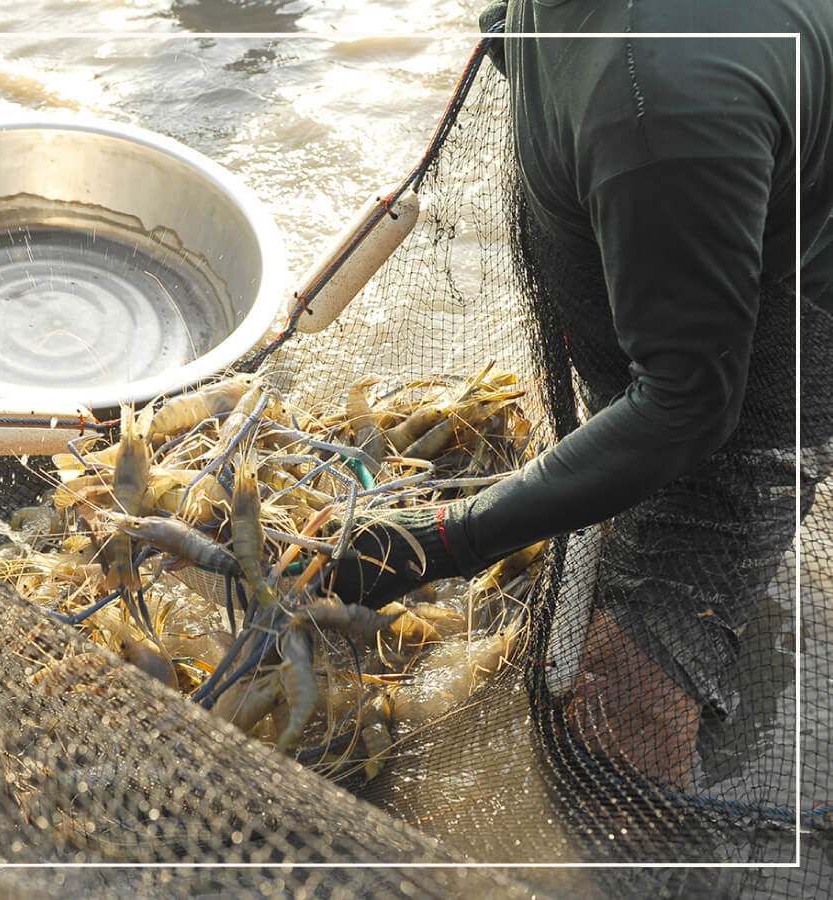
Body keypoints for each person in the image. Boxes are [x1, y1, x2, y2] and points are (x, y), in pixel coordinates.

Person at [332, 0, 833, 790]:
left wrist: (450, 536)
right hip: (711, 198)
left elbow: (691, 405)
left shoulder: (663, 100)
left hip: (787, 334)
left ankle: (650, 847)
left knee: (616, 716)